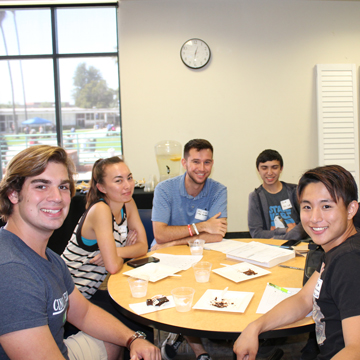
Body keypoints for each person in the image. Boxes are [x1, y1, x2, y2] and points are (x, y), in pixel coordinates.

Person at [0, 145, 160, 360]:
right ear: (13, 194)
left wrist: (133, 339)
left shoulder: (50, 258)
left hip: (61, 347)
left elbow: (83, 312)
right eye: (41, 186)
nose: (56, 197)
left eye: (63, 187)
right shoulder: (12, 272)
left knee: (118, 338)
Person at [234, 164, 360, 360]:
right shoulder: (334, 248)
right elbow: (303, 299)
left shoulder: (349, 262)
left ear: (351, 209)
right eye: (307, 207)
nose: (314, 218)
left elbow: (356, 350)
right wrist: (255, 327)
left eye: (327, 206)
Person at [151, 139, 228, 360]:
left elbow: (217, 234)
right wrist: (201, 227)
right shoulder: (165, 189)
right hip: (164, 256)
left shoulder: (218, 190)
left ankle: (184, 335)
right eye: (196, 161)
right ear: (184, 162)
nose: (201, 168)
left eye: (207, 162)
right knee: (183, 289)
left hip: (197, 253)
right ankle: (199, 350)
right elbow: (160, 235)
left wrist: (175, 241)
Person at [62, 156, 148, 300]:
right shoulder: (101, 210)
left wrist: (115, 253)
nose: (127, 185)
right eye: (118, 181)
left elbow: (142, 247)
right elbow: (113, 267)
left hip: (93, 292)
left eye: (129, 178)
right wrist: (123, 254)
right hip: (70, 296)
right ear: (101, 187)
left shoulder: (128, 202)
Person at [248, 149, 308, 240]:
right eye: (264, 168)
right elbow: (256, 234)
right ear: (258, 170)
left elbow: (306, 224)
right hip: (270, 249)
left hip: (297, 245)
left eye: (274, 167)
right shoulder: (255, 197)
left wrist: (277, 239)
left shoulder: (295, 191)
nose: (269, 172)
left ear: (281, 169)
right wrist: (286, 231)